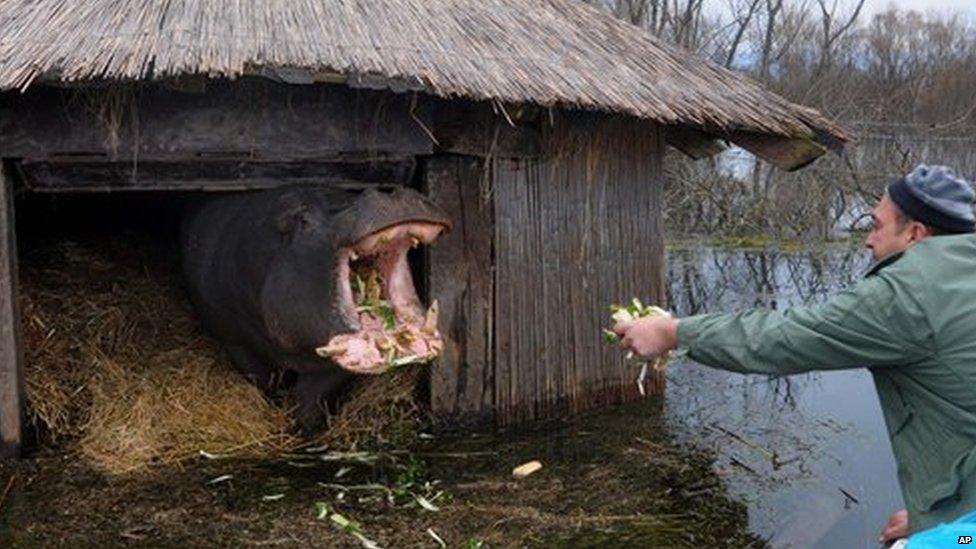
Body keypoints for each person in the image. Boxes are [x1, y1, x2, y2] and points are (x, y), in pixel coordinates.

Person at [613, 165, 976, 545]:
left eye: (877, 226)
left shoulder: (907, 294)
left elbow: (785, 338)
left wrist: (674, 333)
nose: (868, 241)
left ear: (915, 233)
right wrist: (936, 519)